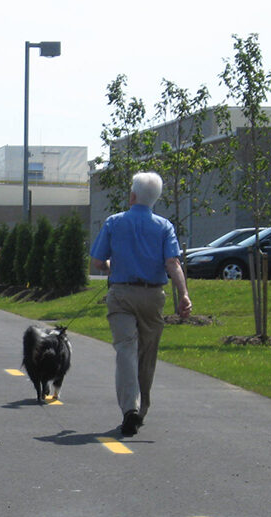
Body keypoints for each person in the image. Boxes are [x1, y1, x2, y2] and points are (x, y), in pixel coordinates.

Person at [89, 172, 192, 437]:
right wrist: (183, 294)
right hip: (153, 296)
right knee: (146, 356)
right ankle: (140, 410)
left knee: (125, 349)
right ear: (155, 199)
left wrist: (113, 266)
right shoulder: (164, 226)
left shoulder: (113, 223)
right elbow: (173, 263)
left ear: (132, 195)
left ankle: (129, 409)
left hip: (122, 295)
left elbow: (98, 263)